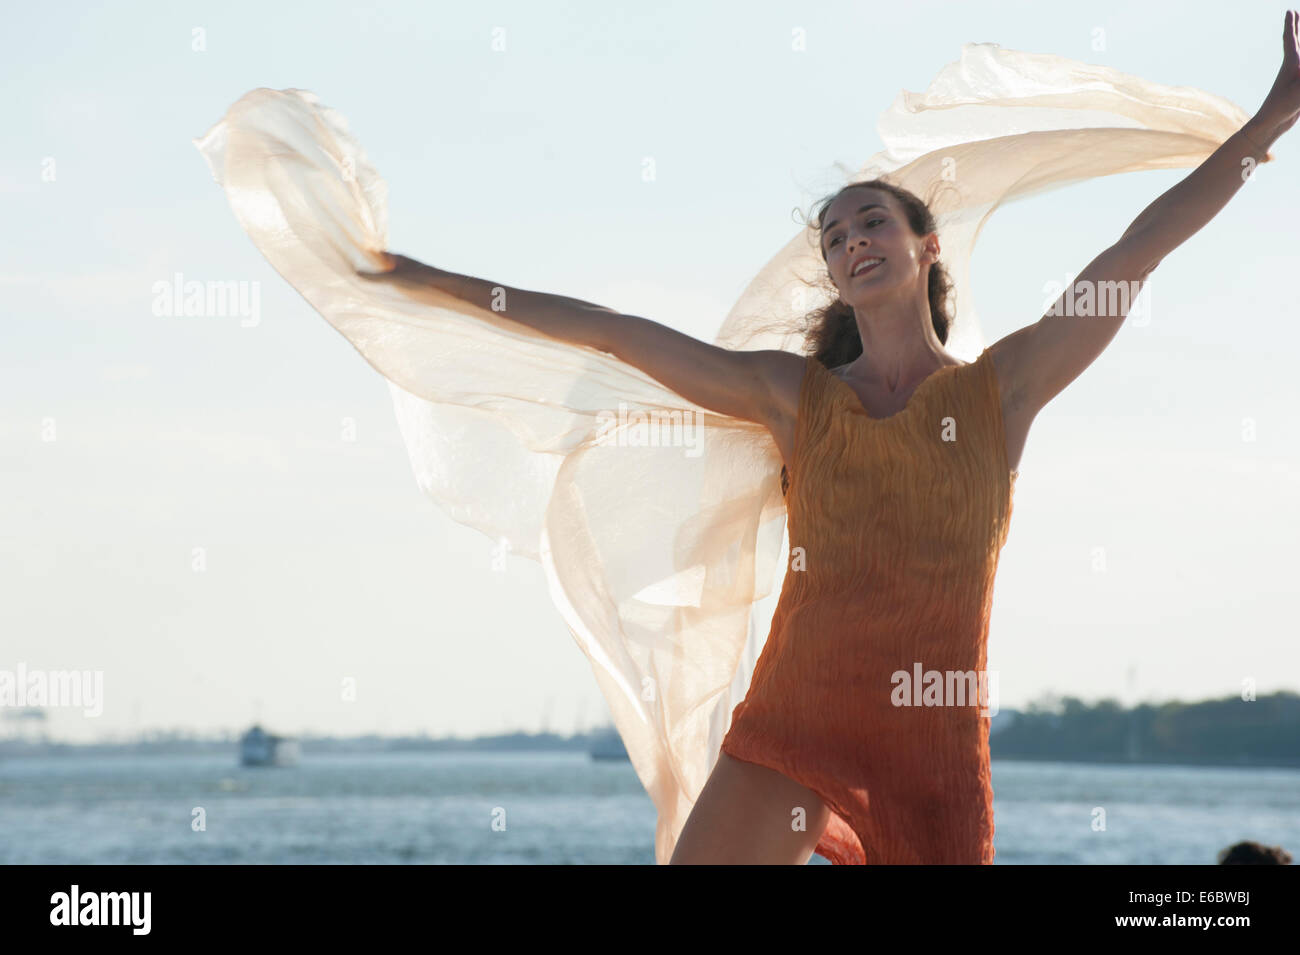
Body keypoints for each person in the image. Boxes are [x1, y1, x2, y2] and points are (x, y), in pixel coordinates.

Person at [196, 19, 1299, 864]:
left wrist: (1266, 123)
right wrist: (424, 278)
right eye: (833, 236)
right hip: (795, 724)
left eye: (872, 221)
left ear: (924, 248)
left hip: (934, 745)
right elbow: (613, 332)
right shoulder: (791, 400)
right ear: (831, 275)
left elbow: (1135, 250)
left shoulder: (1004, 392)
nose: (852, 239)